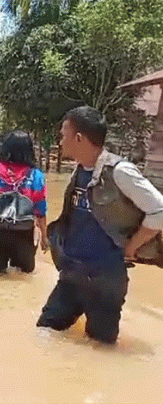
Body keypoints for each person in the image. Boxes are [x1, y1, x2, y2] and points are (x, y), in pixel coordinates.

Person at [37, 106, 163, 344]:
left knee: (100, 348)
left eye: (63, 135)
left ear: (78, 138)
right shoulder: (80, 170)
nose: (60, 141)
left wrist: (131, 247)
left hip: (106, 280)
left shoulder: (120, 172)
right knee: (45, 333)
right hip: (72, 274)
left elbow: (159, 211)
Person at [0, 131, 48, 274]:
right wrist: (44, 237)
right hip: (23, 234)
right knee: (23, 277)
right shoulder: (36, 176)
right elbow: (40, 210)